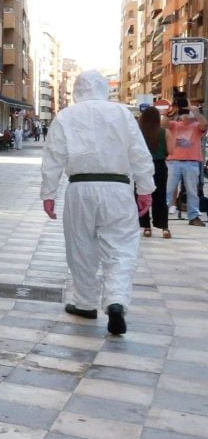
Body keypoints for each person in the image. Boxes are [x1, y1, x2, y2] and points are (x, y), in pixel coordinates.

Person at [40, 70, 154, 336]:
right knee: (121, 247)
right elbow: (139, 152)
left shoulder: (66, 115)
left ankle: (85, 302)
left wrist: (49, 193)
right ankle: (116, 300)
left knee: (81, 247)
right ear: (104, 88)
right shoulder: (122, 114)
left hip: (80, 188)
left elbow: (53, 156)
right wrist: (146, 188)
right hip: (117, 188)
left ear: (77, 90)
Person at [162, 95, 207, 227]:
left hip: (191, 161)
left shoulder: (197, 126)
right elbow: (162, 125)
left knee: (192, 191)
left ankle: (194, 217)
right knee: (168, 190)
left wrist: (195, 111)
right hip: (174, 161)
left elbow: (205, 124)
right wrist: (171, 112)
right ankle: (161, 215)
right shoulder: (174, 124)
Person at [136, 106, 170, 238]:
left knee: (142, 194)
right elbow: (171, 150)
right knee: (160, 196)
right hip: (160, 166)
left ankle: (146, 227)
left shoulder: (138, 133)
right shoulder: (165, 132)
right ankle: (164, 227)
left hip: (142, 166)